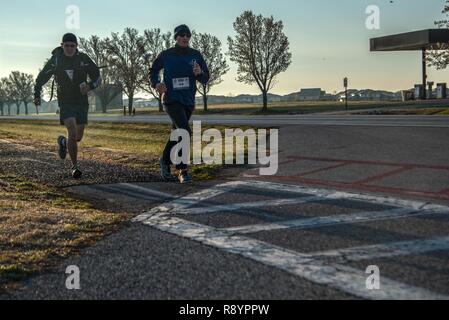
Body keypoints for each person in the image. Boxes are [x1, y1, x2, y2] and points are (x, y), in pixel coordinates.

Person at [34, 33, 101, 179]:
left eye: (73, 45)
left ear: (76, 46)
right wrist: (37, 94)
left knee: (77, 137)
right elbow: (41, 77)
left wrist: (89, 86)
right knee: (71, 130)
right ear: (62, 45)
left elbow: (97, 76)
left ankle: (63, 142)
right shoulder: (56, 60)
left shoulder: (83, 59)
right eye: (67, 45)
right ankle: (75, 167)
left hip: (81, 102)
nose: (70, 48)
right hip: (65, 102)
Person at [150, 25, 210, 184]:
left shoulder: (195, 55)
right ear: (176, 37)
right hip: (170, 99)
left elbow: (205, 78)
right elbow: (153, 71)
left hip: (188, 101)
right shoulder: (166, 55)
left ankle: (164, 160)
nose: (185, 37)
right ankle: (183, 170)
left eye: (188, 35)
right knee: (184, 131)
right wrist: (156, 84)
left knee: (177, 133)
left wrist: (199, 74)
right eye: (181, 35)